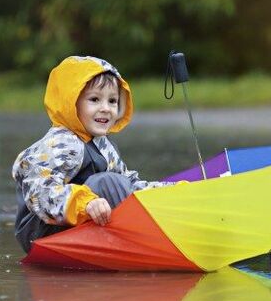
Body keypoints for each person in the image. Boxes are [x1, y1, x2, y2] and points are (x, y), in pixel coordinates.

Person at [12, 55, 174, 252]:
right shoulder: (60, 143)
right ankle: (151, 242)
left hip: (83, 223)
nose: (105, 108)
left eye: (112, 101)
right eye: (94, 99)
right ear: (71, 103)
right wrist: (85, 204)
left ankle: (155, 231)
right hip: (43, 232)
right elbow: (40, 192)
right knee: (107, 183)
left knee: (118, 182)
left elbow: (128, 185)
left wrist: (169, 192)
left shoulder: (103, 145)